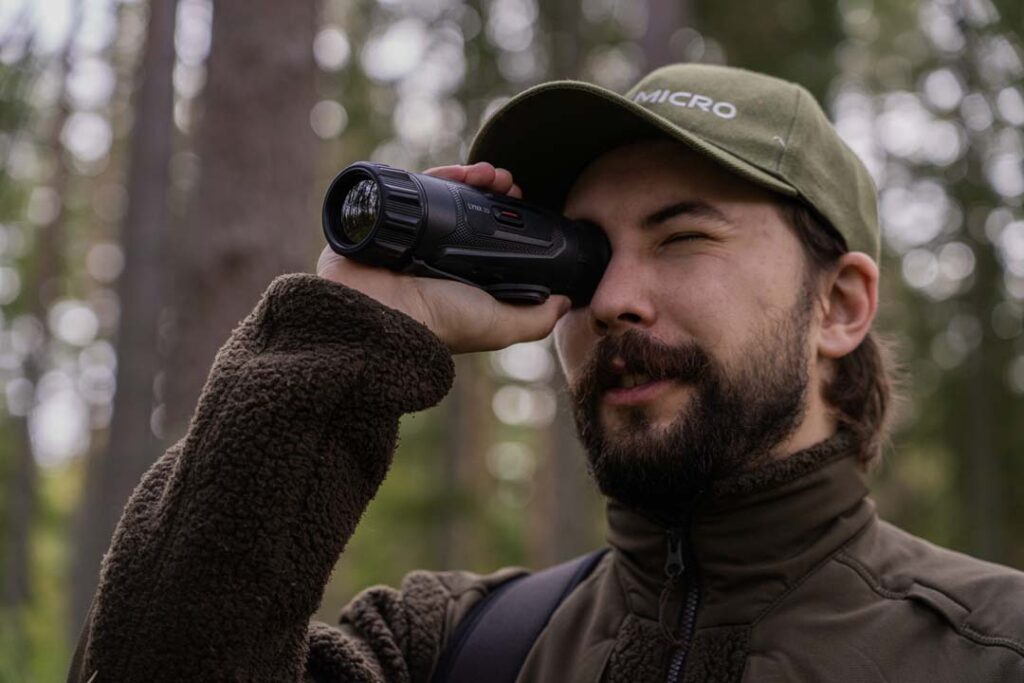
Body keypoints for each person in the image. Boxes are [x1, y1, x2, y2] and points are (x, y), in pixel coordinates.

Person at [68, 64, 1024, 682]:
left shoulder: (990, 645)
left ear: (841, 305)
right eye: (584, 253)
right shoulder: (447, 649)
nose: (613, 299)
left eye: (683, 236)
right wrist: (354, 327)